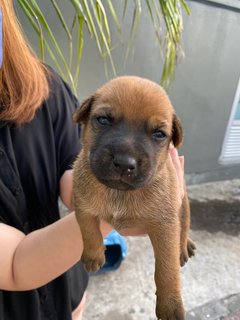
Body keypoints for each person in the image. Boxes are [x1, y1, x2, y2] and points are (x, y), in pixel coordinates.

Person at [0, 1, 185, 319]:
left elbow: (75, 189)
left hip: (65, 290)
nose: (127, 157)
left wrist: (137, 201)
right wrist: (113, 215)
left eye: (156, 134)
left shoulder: (43, 89)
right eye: (104, 121)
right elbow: (15, 264)